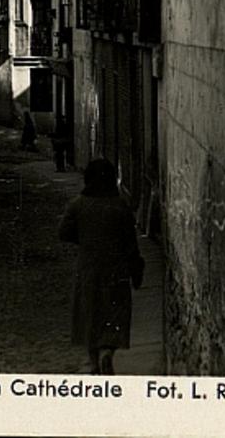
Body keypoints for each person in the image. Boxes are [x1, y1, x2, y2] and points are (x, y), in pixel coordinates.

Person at [58, 158, 145, 375]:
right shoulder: (120, 205)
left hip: (88, 269)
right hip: (116, 269)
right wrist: (136, 269)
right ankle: (109, 353)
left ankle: (94, 361)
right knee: (115, 314)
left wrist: (85, 239)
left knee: (90, 314)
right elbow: (130, 242)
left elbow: (64, 232)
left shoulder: (78, 204)